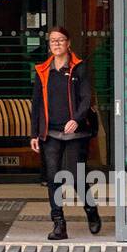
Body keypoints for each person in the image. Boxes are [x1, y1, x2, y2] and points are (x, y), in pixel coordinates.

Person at [30, 25, 101, 240]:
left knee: (76, 176)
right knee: (53, 179)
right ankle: (59, 224)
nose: (57, 44)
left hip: (75, 132)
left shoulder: (79, 67)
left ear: (68, 43)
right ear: (49, 45)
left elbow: (86, 98)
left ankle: (91, 211)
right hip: (50, 133)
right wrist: (34, 133)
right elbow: (37, 104)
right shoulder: (43, 70)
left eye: (61, 40)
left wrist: (76, 120)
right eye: (53, 41)